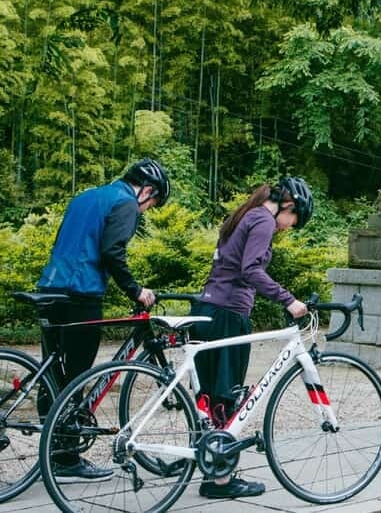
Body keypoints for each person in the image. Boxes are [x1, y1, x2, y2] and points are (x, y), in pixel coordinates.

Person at [37, 157, 169, 481]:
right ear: (147, 190)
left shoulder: (85, 197)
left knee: (53, 372)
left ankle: (52, 449)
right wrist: (136, 291)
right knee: (77, 377)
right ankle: (66, 458)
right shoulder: (125, 203)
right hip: (80, 294)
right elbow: (113, 252)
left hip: (50, 288)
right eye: (151, 204)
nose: (145, 210)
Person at [190, 176, 313, 499]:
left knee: (212, 397)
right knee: (225, 397)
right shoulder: (262, 220)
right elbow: (251, 271)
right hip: (229, 314)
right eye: (293, 220)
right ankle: (221, 481)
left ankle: (215, 470)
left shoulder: (245, 213)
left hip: (208, 308)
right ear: (288, 206)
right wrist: (289, 300)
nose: (289, 227)